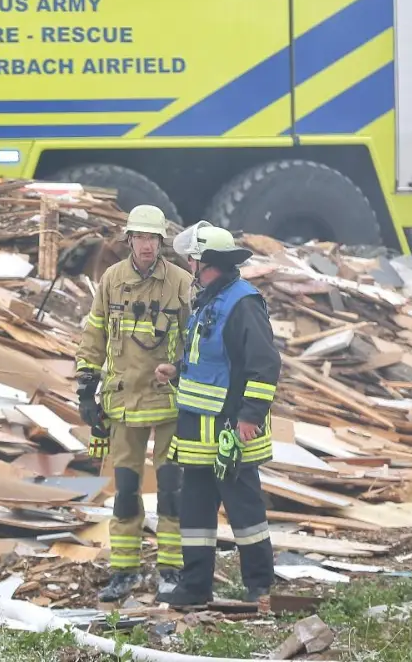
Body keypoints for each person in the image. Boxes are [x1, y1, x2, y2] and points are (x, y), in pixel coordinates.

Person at [159, 220, 280, 609]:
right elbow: (209, 357)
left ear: (203, 262)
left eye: (191, 261)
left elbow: (264, 366)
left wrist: (250, 416)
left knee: (245, 512)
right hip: (197, 429)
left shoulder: (243, 302)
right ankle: (195, 587)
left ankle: (260, 586)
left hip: (231, 429)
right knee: (194, 511)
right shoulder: (209, 298)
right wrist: (177, 370)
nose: (188, 268)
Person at [76, 204, 193, 603]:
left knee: (172, 489)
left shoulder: (179, 281)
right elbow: (95, 332)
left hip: (168, 402)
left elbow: (195, 338)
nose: (146, 245)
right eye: (140, 237)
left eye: (153, 238)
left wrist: (178, 368)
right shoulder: (112, 279)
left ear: (162, 242)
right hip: (123, 401)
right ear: (129, 240)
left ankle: (172, 570)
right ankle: (124, 571)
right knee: (126, 490)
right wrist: (85, 384)